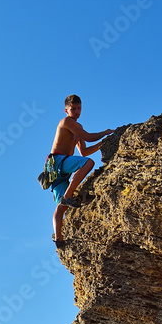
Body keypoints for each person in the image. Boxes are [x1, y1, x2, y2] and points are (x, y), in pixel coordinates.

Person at [48, 95, 113, 247]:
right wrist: (105, 132)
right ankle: (68, 196)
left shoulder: (78, 128)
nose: (77, 112)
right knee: (89, 163)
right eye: (73, 109)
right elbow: (89, 138)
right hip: (56, 162)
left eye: (79, 108)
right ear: (66, 111)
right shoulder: (66, 122)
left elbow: (84, 151)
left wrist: (102, 143)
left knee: (62, 206)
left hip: (61, 167)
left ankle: (59, 240)